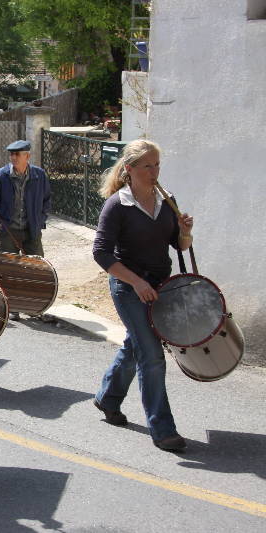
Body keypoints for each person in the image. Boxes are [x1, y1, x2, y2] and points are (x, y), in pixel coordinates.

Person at [92, 139, 194, 452]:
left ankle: (108, 397)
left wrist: (185, 230)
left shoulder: (168, 200)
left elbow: (180, 246)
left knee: (135, 347)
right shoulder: (117, 204)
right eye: (147, 165)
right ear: (130, 169)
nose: (154, 171)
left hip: (160, 286)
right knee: (151, 354)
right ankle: (163, 429)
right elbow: (101, 254)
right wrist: (136, 282)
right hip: (128, 287)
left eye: (157, 165)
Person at [0, 140, 51, 319]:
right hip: (8, 230)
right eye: (11, 154)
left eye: (17, 154)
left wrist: (40, 220)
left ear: (27, 156)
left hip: (32, 229)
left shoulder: (39, 175)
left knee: (36, 269)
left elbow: (47, 200)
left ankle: (33, 307)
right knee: (9, 270)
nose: (13, 157)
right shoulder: (1, 175)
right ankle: (12, 307)